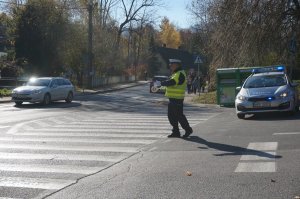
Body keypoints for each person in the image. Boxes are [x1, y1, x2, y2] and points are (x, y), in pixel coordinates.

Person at [153, 59, 193, 138]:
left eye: (171, 64)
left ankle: (188, 129)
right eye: (170, 64)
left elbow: (172, 82)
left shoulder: (180, 73)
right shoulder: (176, 73)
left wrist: (160, 83)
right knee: (171, 116)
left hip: (177, 99)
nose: (170, 65)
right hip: (172, 99)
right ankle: (176, 132)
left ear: (176, 65)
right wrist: (160, 86)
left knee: (179, 116)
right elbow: (170, 83)